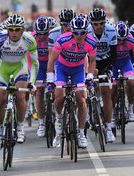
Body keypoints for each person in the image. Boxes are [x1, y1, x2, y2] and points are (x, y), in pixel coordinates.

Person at [0, 14, 39, 151]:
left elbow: (35, 63)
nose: (14, 33)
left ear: (22, 29)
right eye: (11, 29)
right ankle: (0, 130)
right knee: (0, 100)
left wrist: (31, 82)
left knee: (20, 96)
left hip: (20, 67)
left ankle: (20, 126)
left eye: (17, 29)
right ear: (7, 29)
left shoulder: (29, 40)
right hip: (3, 69)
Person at [47, 15, 97, 148]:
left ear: (87, 31)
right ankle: (58, 121)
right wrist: (50, 79)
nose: (79, 36)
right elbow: (52, 60)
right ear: (71, 31)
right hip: (62, 68)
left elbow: (92, 61)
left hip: (78, 70)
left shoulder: (91, 42)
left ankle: (81, 133)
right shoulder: (62, 40)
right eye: (76, 32)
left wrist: (90, 76)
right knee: (59, 96)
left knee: (81, 99)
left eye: (82, 33)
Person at [87, 8, 117, 143]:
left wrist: (109, 69)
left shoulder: (111, 31)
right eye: (96, 24)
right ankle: (89, 112)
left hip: (105, 61)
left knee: (106, 92)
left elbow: (114, 54)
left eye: (101, 23)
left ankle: (109, 128)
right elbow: (83, 53)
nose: (99, 26)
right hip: (90, 60)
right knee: (88, 88)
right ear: (91, 24)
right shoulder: (86, 32)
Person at [112, 21, 134, 122]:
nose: (120, 41)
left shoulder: (132, 40)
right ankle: (112, 110)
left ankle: (130, 108)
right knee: (113, 87)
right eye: (118, 39)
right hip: (113, 64)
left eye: (123, 39)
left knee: (131, 82)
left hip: (125, 62)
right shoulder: (110, 39)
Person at [31, 16, 50, 137]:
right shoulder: (32, 38)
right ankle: (42, 122)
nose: (42, 36)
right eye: (40, 34)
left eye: (45, 33)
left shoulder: (53, 36)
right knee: (39, 91)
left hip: (51, 64)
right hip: (38, 66)